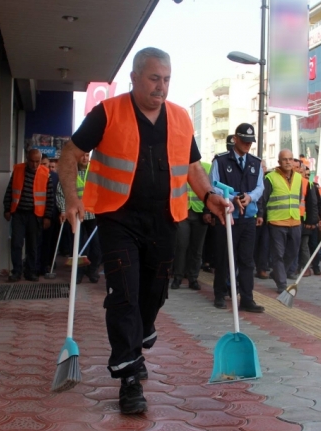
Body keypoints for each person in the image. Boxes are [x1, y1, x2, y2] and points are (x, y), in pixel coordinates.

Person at [57, 47, 230, 415]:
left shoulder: (181, 118)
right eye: (154, 78)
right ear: (135, 77)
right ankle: (129, 377)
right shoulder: (107, 112)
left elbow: (192, 166)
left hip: (165, 220)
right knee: (124, 296)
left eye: (166, 79)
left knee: (153, 295)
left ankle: (142, 332)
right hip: (117, 219)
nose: (161, 86)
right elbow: (70, 153)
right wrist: (72, 198)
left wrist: (210, 195)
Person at [208, 123, 265, 311]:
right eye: (245, 141)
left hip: (248, 217)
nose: (248, 145)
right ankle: (219, 294)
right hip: (227, 216)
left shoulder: (255, 162)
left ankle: (247, 298)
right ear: (235, 139)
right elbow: (212, 185)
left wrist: (250, 197)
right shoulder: (221, 161)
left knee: (247, 260)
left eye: (251, 142)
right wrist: (232, 197)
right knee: (224, 257)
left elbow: (260, 187)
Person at [3, 148, 54, 282]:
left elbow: (49, 197)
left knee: (33, 245)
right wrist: (7, 209)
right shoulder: (18, 170)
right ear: (27, 159)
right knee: (17, 243)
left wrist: (47, 216)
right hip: (19, 213)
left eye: (37, 162)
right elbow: (10, 191)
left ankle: (30, 272)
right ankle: (16, 271)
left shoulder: (45, 173)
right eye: (32, 161)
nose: (35, 165)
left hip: (35, 215)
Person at [258, 149, 303, 294]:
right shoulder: (270, 178)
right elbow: (262, 199)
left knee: (293, 252)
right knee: (278, 253)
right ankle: (282, 284)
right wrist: (260, 215)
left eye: (290, 159)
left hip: (295, 221)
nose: (288, 162)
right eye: (285, 159)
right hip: (276, 221)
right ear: (279, 162)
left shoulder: (299, 178)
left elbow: (299, 197)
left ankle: (277, 273)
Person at [57, 152, 100, 283]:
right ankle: (78, 273)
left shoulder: (95, 173)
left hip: (93, 214)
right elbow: (61, 193)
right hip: (76, 216)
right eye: (82, 155)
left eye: (87, 155)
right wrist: (63, 210)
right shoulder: (69, 173)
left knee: (96, 246)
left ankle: (92, 271)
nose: (85, 158)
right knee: (77, 246)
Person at [171, 160, 212, 291]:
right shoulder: (178, 166)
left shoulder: (206, 167)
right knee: (181, 245)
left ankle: (193, 278)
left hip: (201, 213)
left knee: (197, 248)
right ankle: (178, 277)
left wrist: (207, 210)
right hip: (182, 212)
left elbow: (211, 191)